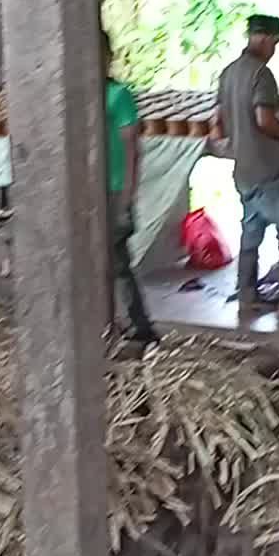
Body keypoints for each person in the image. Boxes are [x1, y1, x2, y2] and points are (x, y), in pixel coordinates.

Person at [216, 13, 279, 318]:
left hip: (244, 171)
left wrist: (240, 141)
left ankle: (248, 296)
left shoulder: (228, 73)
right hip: (268, 171)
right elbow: (264, 120)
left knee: (251, 232)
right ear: (263, 38)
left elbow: (217, 123)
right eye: (274, 42)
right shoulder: (260, 74)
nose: (274, 49)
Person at [103, 31, 157, 347]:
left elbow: (131, 148)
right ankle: (109, 322)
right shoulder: (78, 94)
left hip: (111, 189)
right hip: (86, 189)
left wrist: (127, 195)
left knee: (117, 260)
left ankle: (140, 327)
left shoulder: (119, 95)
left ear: (108, 57)